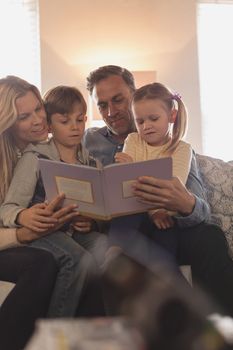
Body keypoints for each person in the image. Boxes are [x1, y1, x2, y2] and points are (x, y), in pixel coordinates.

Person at [83, 65, 233, 316]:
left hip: (169, 220)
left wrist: (184, 205)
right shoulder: (88, 141)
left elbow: (199, 207)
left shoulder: (179, 148)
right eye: (102, 104)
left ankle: (220, 325)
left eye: (118, 100)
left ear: (134, 94)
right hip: (121, 224)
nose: (111, 111)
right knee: (106, 251)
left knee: (210, 236)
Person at [0, 84, 107, 318]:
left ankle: (101, 330)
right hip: (43, 232)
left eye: (80, 120)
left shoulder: (90, 162)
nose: (74, 127)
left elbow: (102, 212)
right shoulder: (35, 156)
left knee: (109, 250)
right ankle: (58, 332)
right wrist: (22, 217)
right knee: (76, 259)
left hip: (71, 231)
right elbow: (9, 207)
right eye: (24, 116)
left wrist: (93, 222)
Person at [0, 76, 81, 350]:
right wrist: (22, 230)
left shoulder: (44, 153)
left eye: (38, 109)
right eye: (24, 116)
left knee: (91, 258)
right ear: (7, 121)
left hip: (22, 235)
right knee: (43, 262)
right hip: (8, 240)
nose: (38, 120)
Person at [106, 82, 194, 271]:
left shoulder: (182, 149)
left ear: (171, 116)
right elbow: (128, 186)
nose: (146, 126)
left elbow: (172, 187)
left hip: (166, 215)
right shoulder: (133, 140)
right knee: (126, 215)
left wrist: (133, 170)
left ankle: (170, 284)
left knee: (165, 249)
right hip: (136, 211)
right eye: (140, 121)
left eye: (153, 119)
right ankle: (114, 253)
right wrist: (151, 209)